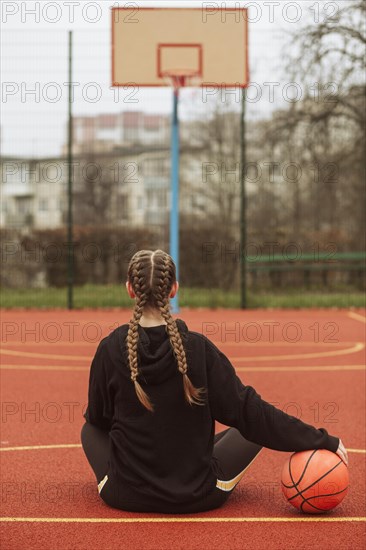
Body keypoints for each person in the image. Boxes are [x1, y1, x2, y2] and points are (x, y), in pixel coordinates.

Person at [81, 249, 348, 514]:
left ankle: (127, 476)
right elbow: (251, 414)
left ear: (130, 289)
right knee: (249, 428)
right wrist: (322, 440)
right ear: (174, 289)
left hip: (126, 495)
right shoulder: (198, 349)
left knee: (90, 428)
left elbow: (99, 420)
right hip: (197, 496)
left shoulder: (110, 348)